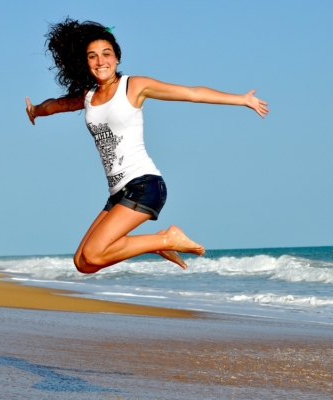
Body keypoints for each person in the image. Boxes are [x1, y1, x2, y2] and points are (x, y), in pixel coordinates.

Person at [26, 19, 268, 274]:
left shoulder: (133, 86)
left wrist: (241, 100)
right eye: (93, 56)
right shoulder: (88, 97)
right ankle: (156, 243)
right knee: (83, 263)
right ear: (85, 63)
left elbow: (191, 93)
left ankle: (166, 239)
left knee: (94, 253)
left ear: (117, 57)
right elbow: (54, 105)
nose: (101, 61)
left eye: (106, 54)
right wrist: (35, 110)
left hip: (144, 185)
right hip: (118, 192)